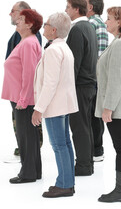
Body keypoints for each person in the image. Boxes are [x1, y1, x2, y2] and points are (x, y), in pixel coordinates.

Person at [32, 12, 78, 197]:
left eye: (46, 24)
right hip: (64, 104)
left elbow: (50, 84)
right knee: (65, 143)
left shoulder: (52, 50)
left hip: (54, 106)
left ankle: (64, 184)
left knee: (59, 145)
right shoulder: (64, 48)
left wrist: (38, 109)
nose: (43, 27)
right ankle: (68, 182)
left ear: (54, 29)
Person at [96, 6, 121, 202]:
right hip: (119, 105)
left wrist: (108, 107)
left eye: (109, 18)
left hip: (117, 107)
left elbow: (116, 79)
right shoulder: (120, 43)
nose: (106, 22)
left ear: (120, 22)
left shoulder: (120, 45)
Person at [2, 9, 43, 183]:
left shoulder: (28, 44)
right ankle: (34, 171)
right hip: (22, 97)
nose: (17, 21)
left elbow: (29, 73)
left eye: (21, 19)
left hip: (23, 99)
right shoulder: (27, 41)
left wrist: (23, 99)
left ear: (30, 24)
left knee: (25, 136)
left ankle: (27, 173)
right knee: (29, 135)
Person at [65, 0, 98, 176]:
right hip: (88, 85)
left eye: (68, 7)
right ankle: (87, 163)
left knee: (79, 127)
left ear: (77, 9)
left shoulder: (78, 29)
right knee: (85, 126)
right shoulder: (89, 26)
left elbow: (74, 63)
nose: (66, 10)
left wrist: (67, 88)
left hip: (80, 86)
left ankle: (84, 166)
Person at [86, 0, 109, 162]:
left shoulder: (94, 24)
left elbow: (98, 55)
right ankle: (96, 149)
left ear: (91, 7)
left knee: (93, 114)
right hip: (95, 78)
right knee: (94, 114)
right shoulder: (95, 23)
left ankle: (96, 150)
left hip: (93, 78)